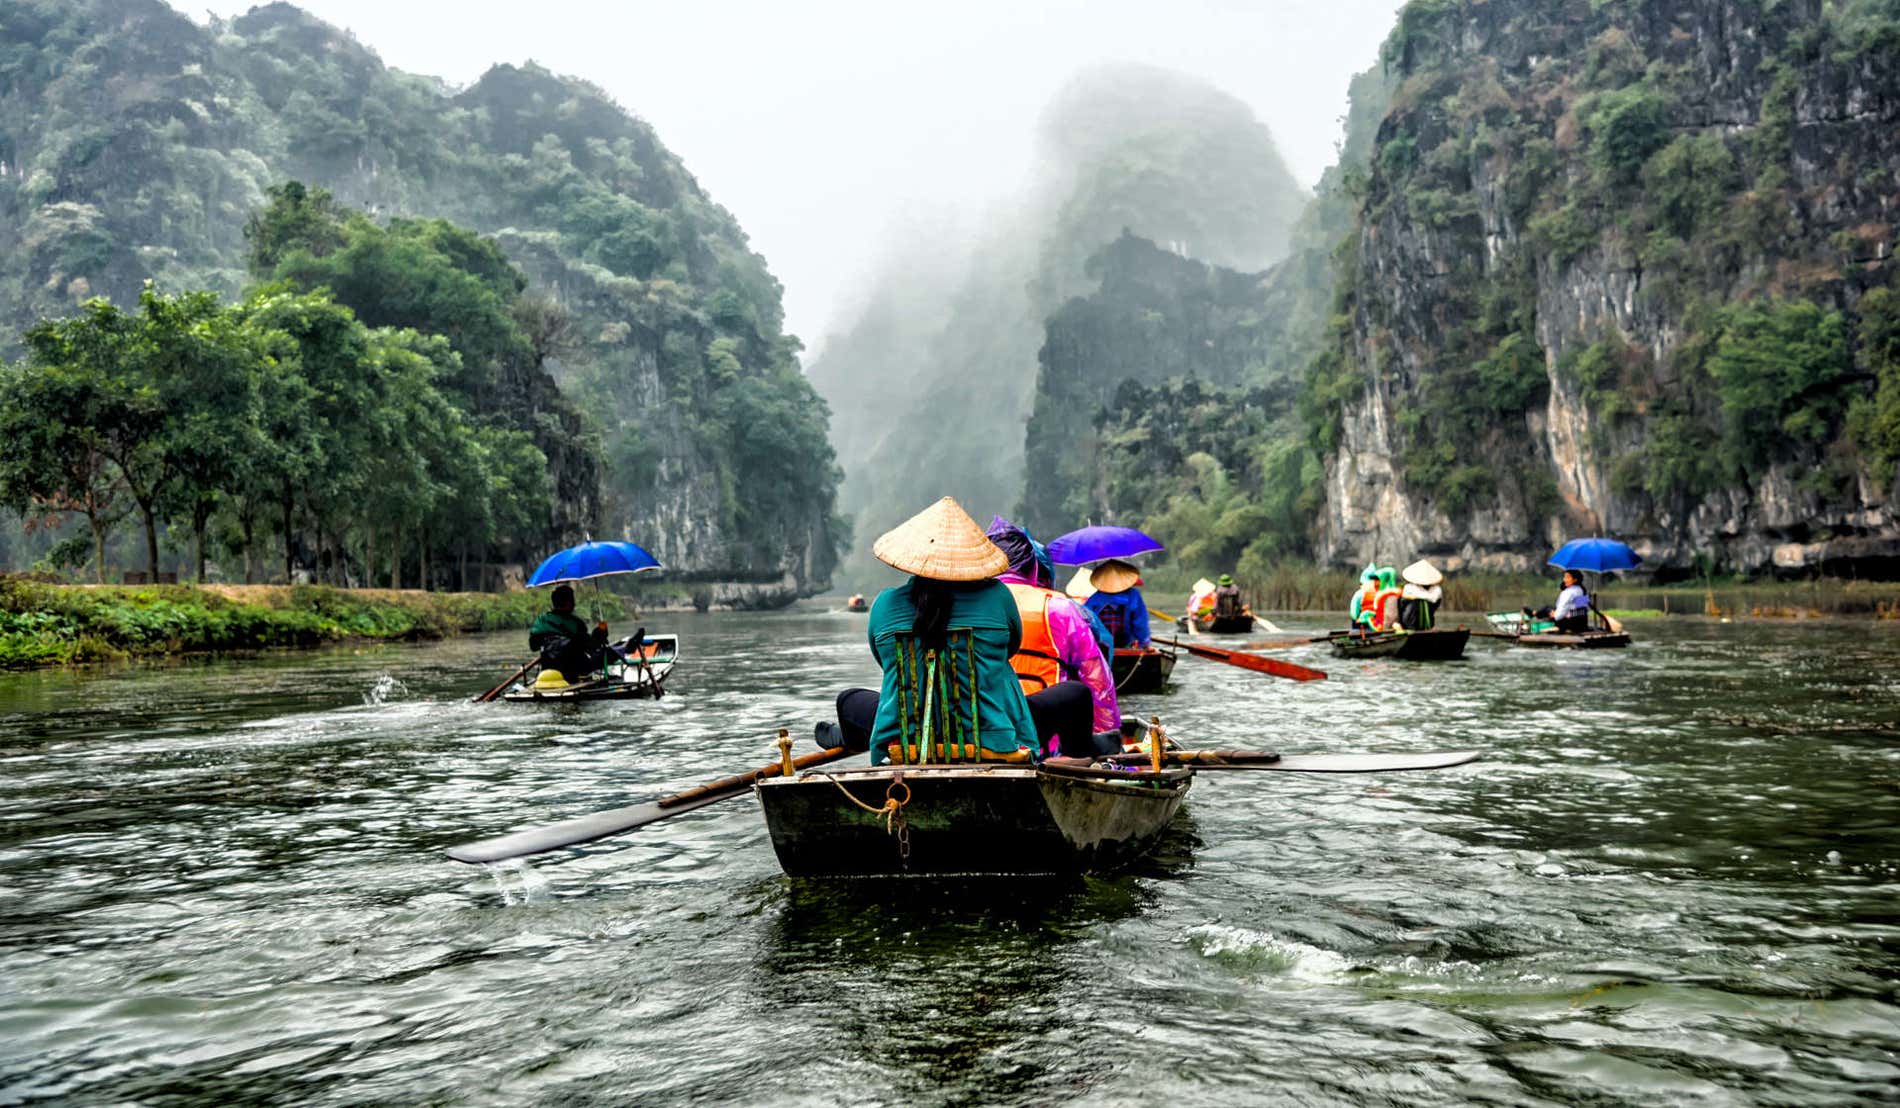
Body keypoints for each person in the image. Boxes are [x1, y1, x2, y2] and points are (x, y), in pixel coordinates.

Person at [818, 498, 1121, 762]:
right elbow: (1010, 649)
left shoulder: (884, 605)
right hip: (993, 734)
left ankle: (852, 738)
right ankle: (1084, 750)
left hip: (909, 738)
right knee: (1075, 693)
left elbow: (884, 660)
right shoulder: (996, 597)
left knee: (849, 699)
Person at [987, 517, 1121, 745]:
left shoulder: (967, 609)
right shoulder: (1061, 609)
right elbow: (1097, 681)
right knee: (1076, 692)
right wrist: (1108, 737)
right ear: (1035, 569)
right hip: (1048, 740)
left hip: (984, 734)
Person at [528, 583, 608, 681]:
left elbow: (533, 646)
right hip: (573, 673)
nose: (574, 604)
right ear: (569, 603)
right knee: (604, 655)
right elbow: (591, 647)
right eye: (573, 600)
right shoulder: (576, 623)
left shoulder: (541, 620)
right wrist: (600, 633)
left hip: (548, 673)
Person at [1084, 559, 1152, 649]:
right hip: (1124, 643)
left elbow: (1085, 621)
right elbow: (1140, 623)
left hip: (1100, 645)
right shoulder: (1133, 595)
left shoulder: (1096, 597)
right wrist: (1145, 644)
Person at [1397, 560, 1444, 630]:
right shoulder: (1436, 591)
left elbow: (1401, 605)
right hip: (1425, 625)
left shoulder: (1409, 589)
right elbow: (1435, 605)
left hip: (1408, 623)